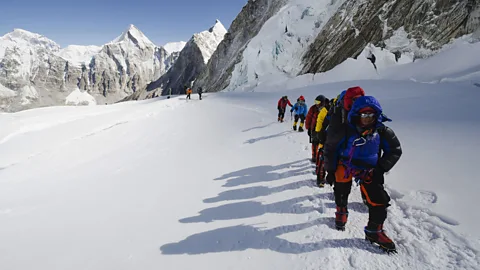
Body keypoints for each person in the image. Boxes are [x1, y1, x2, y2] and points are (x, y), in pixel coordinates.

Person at [326, 94, 402, 253]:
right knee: (341, 190)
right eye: (364, 114)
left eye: (371, 115)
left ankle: (374, 231)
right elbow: (331, 149)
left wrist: (380, 168)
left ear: (376, 114)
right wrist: (331, 170)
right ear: (356, 114)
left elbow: (394, 150)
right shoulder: (345, 130)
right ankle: (341, 211)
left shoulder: (382, 131)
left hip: (369, 170)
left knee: (379, 201)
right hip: (345, 165)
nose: (367, 118)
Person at [305, 95, 327, 162]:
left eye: (318, 102)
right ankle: (314, 155)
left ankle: (321, 156)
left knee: (322, 143)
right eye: (315, 102)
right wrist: (308, 128)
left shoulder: (326, 108)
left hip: (323, 129)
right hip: (314, 129)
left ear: (322, 102)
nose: (316, 104)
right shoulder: (313, 108)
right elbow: (308, 118)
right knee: (314, 143)